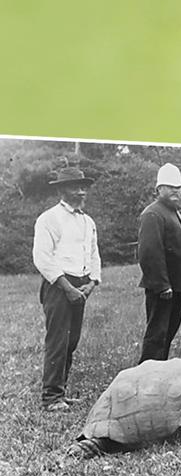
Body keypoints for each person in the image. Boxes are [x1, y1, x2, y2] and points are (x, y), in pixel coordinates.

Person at [32, 167, 102, 412]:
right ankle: (50, 397)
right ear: (61, 189)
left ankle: (60, 392)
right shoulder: (48, 219)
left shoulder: (87, 221)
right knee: (57, 341)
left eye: (84, 186)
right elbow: (42, 258)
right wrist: (67, 287)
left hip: (81, 286)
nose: (81, 191)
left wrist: (92, 282)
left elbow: (93, 254)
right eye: (75, 186)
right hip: (58, 286)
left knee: (71, 341)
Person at [137, 163, 181, 363]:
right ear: (158, 190)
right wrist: (162, 285)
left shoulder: (174, 213)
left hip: (179, 286)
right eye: (169, 186)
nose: (175, 191)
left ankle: (159, 374)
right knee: (157, 336)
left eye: (179, 187)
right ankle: (146, 378)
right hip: (164, 289)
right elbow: (149, 253)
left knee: (167, 335)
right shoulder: (153, 213)